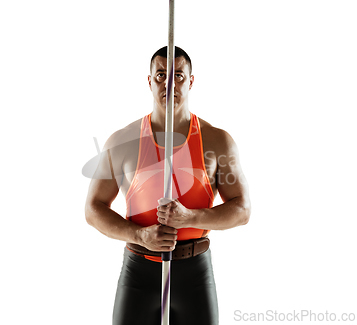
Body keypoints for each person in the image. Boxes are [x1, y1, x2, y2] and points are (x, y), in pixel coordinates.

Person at [85, 46, 251, 325]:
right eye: (161, 75)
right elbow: (93, 209)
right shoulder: (122, 142)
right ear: (149, 81)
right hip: (139, 271)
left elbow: (243, 210)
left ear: (191, 81)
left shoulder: (216, 141)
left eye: (178, 76)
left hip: (194, 273)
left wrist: (190, 217)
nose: (169, 83)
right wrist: (140, 236)